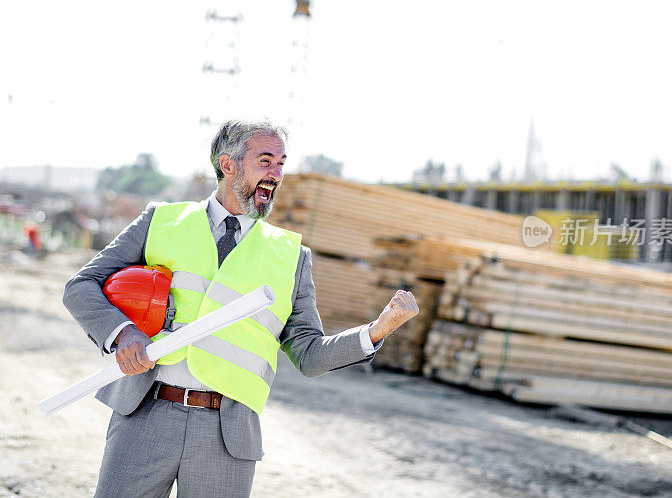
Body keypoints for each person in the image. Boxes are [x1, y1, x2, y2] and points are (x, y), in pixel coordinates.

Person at [63, 119, 419, 497]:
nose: (276, 174)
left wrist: (378, 329)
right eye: (265, 161)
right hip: (145, 414)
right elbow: (81, 287)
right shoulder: (161, 222)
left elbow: (310, 355)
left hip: (226, 434)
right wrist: (122, 334)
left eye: (282, 163)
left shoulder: (291, 257)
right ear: (227, 164)